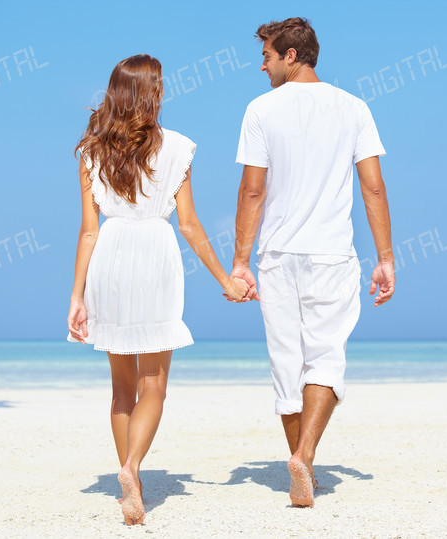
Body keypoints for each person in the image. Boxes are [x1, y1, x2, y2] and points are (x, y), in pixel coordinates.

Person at [66, 54, 249, 525]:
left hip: (110, 256)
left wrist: (77, 296)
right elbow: (189, 225)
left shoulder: (92, 151)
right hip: (155, 258)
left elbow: (88, 231)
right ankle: (132, 467)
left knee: (121, 388)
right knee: (155, 386)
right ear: (152, 93)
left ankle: (131, 478)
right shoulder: (179, 148)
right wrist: (226, 280)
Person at [228, 18, 395, 507]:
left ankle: (302, 462)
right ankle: (305, 455)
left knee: (286, 363)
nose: (262, 65)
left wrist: (240, 262)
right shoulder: (354, 108)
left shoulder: (260, 110)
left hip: (278, 255)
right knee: (325, 357)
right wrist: (385, 258)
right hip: (331, 255)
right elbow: (374, 187)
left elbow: (252, 190)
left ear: (292, 56)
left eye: (267, 56)